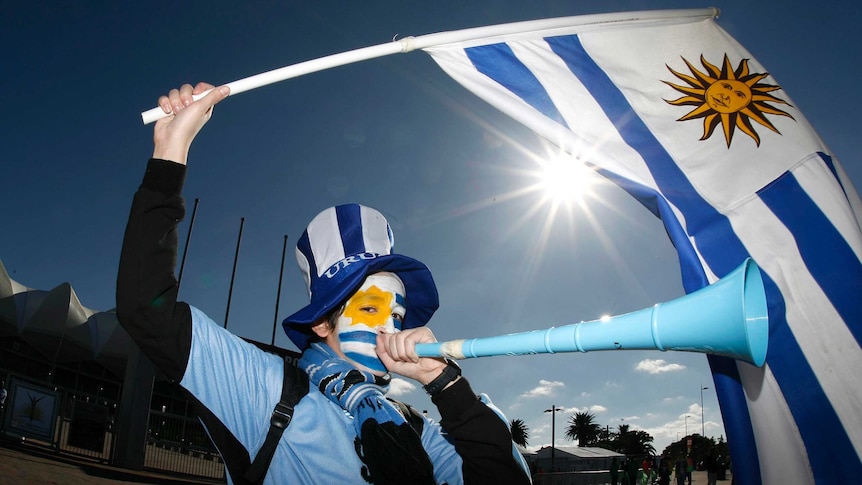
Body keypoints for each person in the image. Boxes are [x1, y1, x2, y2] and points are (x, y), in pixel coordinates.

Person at [116, 82, 531, 485]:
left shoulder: (418, 429)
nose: (392, 327)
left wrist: (448, 385)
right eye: (370, 308)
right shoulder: (266, 389)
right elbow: (146, 310)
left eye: (398, 315)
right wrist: (170, 152)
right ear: (321, 324)